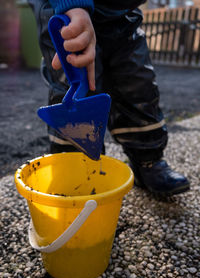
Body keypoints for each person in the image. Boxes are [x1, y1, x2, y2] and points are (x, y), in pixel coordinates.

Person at [28, 0, 190, 196]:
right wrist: (71, 5)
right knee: (76, 91)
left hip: (122, 14)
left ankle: (147, 161)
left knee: (137, 83)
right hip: (66, 12)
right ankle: (75, 172)